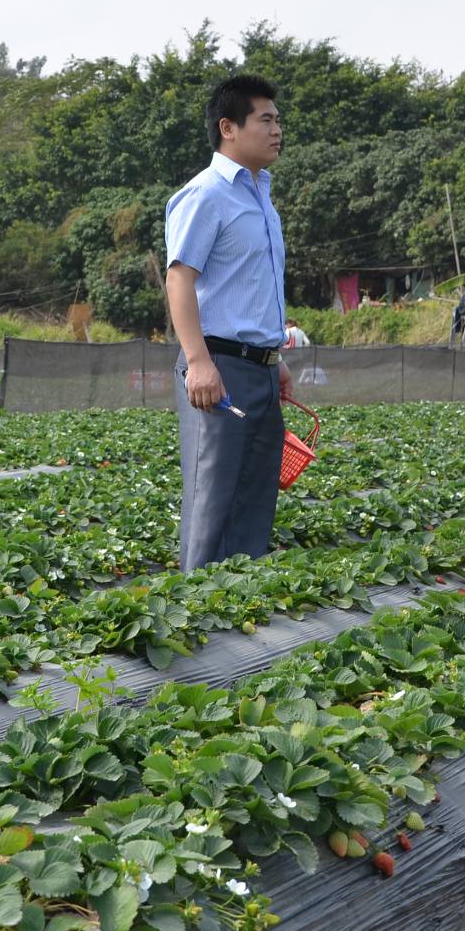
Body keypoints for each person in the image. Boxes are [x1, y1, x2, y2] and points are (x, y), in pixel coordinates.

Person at [166, 73, 291, 573]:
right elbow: (180, 280)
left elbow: (256, 288)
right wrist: (198, 362)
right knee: (214, 492)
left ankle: (241, 598)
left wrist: (274, 359)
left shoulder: (262, 198)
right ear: (229, 128)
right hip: (217, 366)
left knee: (256, 491)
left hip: (259, 367)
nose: (277, 129)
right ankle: (197, 602)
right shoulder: (206, 194)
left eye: (278, 120)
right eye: (266, 119)